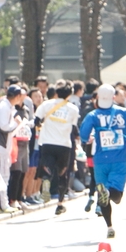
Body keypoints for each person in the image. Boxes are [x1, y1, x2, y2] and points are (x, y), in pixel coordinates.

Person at [80, 84, 126, 237]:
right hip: (119, 160)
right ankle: (108, 192)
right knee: (117, 195)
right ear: (114, 97)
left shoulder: (93, 115)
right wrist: (123, 135)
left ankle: (109, 226)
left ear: (98, 98)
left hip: (100, 160)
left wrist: (91, 138)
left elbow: (83, 134)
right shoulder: (124, 113)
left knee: (103, 195)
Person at [35, 80, 79, 215]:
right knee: (62, 174)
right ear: (69, 94)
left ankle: (46, 182)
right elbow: (74, 128)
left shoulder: (46, 105)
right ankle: (60, 204)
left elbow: (36, 120)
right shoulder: (73, 109)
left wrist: (41, 129)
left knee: (47, 166)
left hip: (47, 142)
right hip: (64, 145)